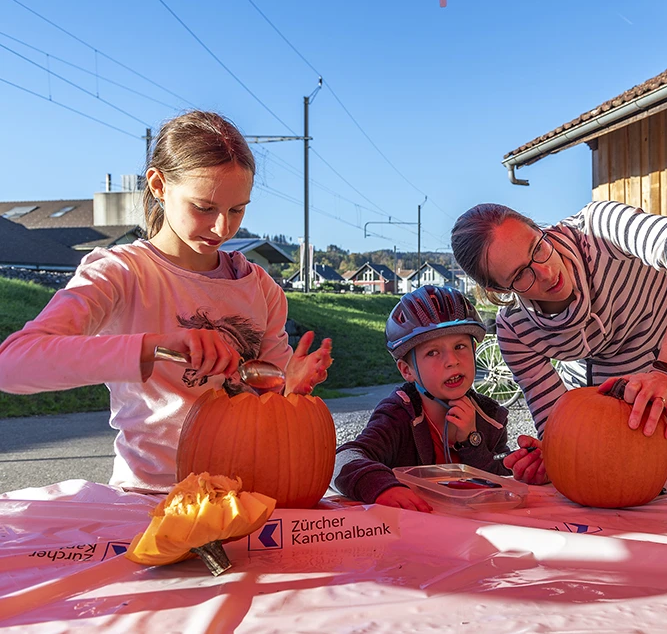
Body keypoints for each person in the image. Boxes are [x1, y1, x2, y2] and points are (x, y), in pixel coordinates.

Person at [0, 110, 333, 491]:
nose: (223, 227)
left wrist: (289, 388)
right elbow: (12, 365)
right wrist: (155, 347)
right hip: (149, 497)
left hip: (248, 495)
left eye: (237, 209)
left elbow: (266, 405)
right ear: (159, 185)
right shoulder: (120, 273)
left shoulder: (260, 287)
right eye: (204, 207)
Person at [451, 200, 667, 480]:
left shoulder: (599, 229)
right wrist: (556, 454)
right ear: (498, 289)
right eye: (521, 275)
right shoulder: (515, 330)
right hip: (603, 438)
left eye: (538, 247)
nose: (546, 273)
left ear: (539, 228)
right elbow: (555, 420)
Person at [333, 286, 535, 512]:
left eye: (460, 346)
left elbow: (498, 484)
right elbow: (343, 459)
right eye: (433, 352)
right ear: (407, 370)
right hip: (412, 532)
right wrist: (383, 488)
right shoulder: (399, 413)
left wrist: (473, 441)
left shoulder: (491, 417)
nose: (452, 361)